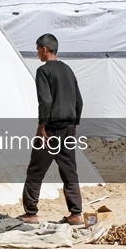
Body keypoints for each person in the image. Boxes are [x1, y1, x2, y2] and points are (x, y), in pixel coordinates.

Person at [20, 33, 85, 225]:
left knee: (36, 171)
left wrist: (41, 127)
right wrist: (75, 124)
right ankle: (76, 214)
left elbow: (45, 101)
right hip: (69, 127)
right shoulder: (67, 70)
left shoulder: (44, 71)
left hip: (51, 129)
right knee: (69, 171)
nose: (37, 53)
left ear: (44, 49)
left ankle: (31, 213)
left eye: (38, 50)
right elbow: (79, 100)